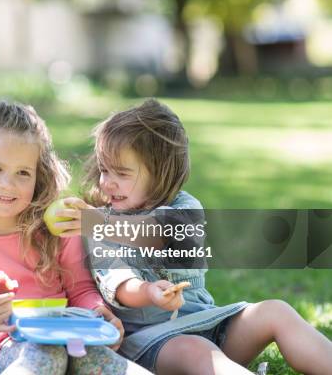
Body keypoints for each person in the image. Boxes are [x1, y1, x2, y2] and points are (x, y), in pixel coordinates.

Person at [52, 98, 332, 374]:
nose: (106, 182)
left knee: (276, 311)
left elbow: (160, 233)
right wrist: (149, 291)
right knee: (199, 351)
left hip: (210, 323)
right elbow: (122, 287)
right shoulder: (97, 227)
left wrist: (96, 221)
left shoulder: (184, 208)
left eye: (122, 173)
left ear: (161, 174)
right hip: (154, 343)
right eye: (104, 170)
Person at [0, 101, 152, 375]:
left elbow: (81, 292)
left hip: (67, 337)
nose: (7, 184)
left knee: (100, 360)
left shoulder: (56, 231)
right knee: (46, 354)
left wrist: (100, 312)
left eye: (23, 173)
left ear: (38, 177)